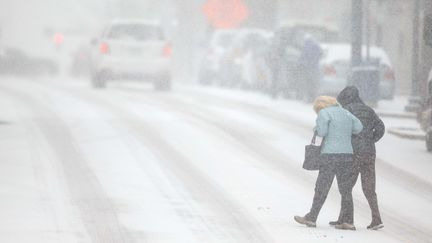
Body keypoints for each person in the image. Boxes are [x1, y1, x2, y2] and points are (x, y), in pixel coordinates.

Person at [294, 96, 363, 230]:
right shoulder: (346, 112)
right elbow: (358, 128)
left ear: (320, 107)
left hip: (330, 155)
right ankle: (348, 221)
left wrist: (317, 128)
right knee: (345, 189)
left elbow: (322, 132)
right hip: (347, 156)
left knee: (322, 188)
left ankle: (312, 218)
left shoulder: (324, 113)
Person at [335, 86, 385, 230]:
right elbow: (381, 127)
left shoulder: (346, 110)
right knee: (369, 187)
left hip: (353, 152)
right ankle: (376, 219)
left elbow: (342, 130)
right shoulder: (369, 110)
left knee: (346, 186)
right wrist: (370, 140)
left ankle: (345, 219)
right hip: (369, 152)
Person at [297, 35, 322, 102]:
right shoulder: (316, 46)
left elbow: (302, 56)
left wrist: (300, 63)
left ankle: (308, 97)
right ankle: (313, 97)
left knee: (307, 83)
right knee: (313, 84)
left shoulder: (306, 47)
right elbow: (320, 54)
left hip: (307, 68)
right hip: (314, 68)